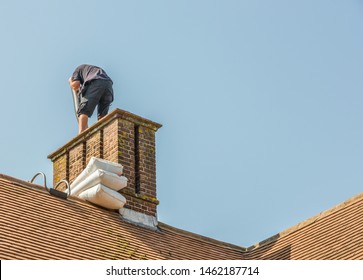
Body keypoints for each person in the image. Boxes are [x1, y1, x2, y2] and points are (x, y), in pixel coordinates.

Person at [68, 64, 114, 134]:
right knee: (102, 116)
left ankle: (82, 136)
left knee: (83, 111)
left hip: (96, 82)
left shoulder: (78, 70)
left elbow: (76, 85)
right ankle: (103, 135)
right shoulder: (91, 69)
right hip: (108, 85)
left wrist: (71, 82)